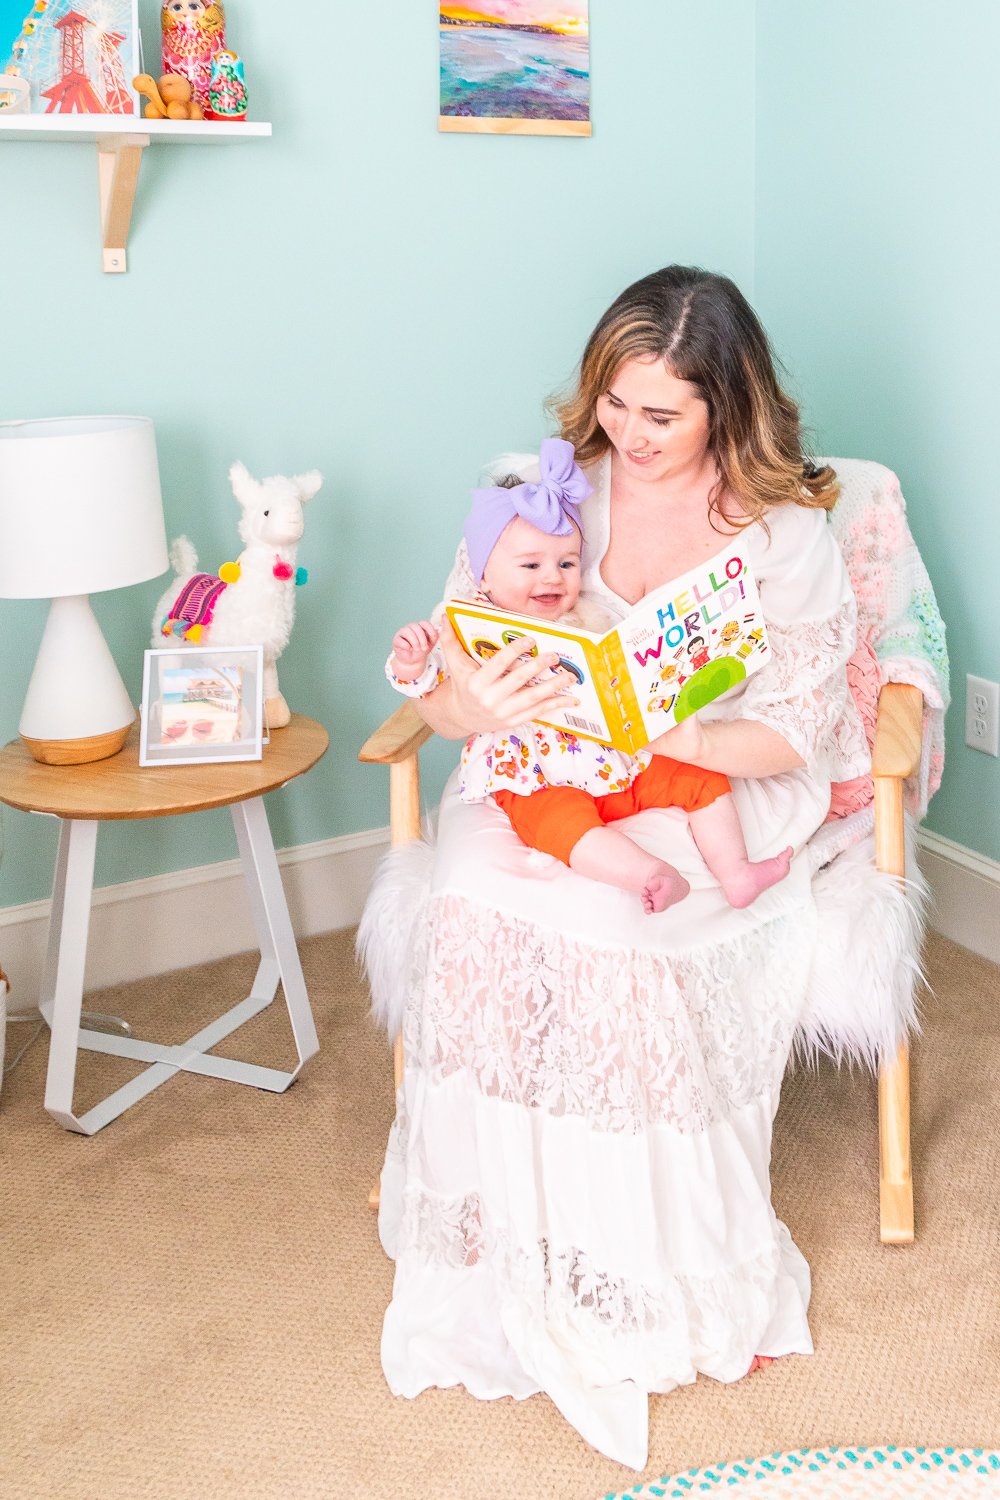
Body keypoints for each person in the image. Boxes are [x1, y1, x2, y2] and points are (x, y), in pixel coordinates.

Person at [373, 265, 871, 1470]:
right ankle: (503, 1242)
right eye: (614, 402)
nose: (628, 438)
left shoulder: (782, 536)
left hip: (704, 779)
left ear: (727, 412)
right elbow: (445, 684)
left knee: (625, 933)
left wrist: (677, 732)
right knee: (475, 894)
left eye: (665, 416)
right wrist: (463, 699)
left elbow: (791, 732)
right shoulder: (540, 495)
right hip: (547, 772)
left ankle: (646, 1267)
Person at [386, 438, 792, 914]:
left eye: (567, 563)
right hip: (533, 772)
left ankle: (735, 871)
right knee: (558, 824)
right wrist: (412, 661)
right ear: (485, 575)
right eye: (531, 565)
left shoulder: (588, 618)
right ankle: (650, 874)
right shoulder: (468, 624)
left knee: (699, 777)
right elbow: (431, 685)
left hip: (614, 756)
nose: (552, 578)